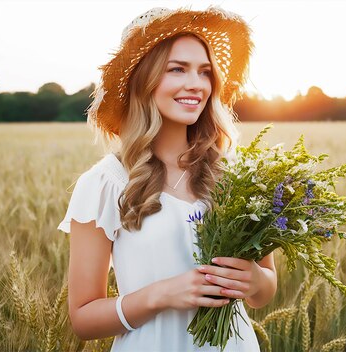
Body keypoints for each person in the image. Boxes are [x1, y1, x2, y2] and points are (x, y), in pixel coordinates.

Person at [57, 7, 277, 352]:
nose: (196, 84)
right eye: (177, 69)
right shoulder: (105, 184)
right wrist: (162, 294)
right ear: (144, 81)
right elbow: (83, 318)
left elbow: (265, 292)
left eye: (205, 72)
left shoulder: (234, 175)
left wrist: (255, 279)